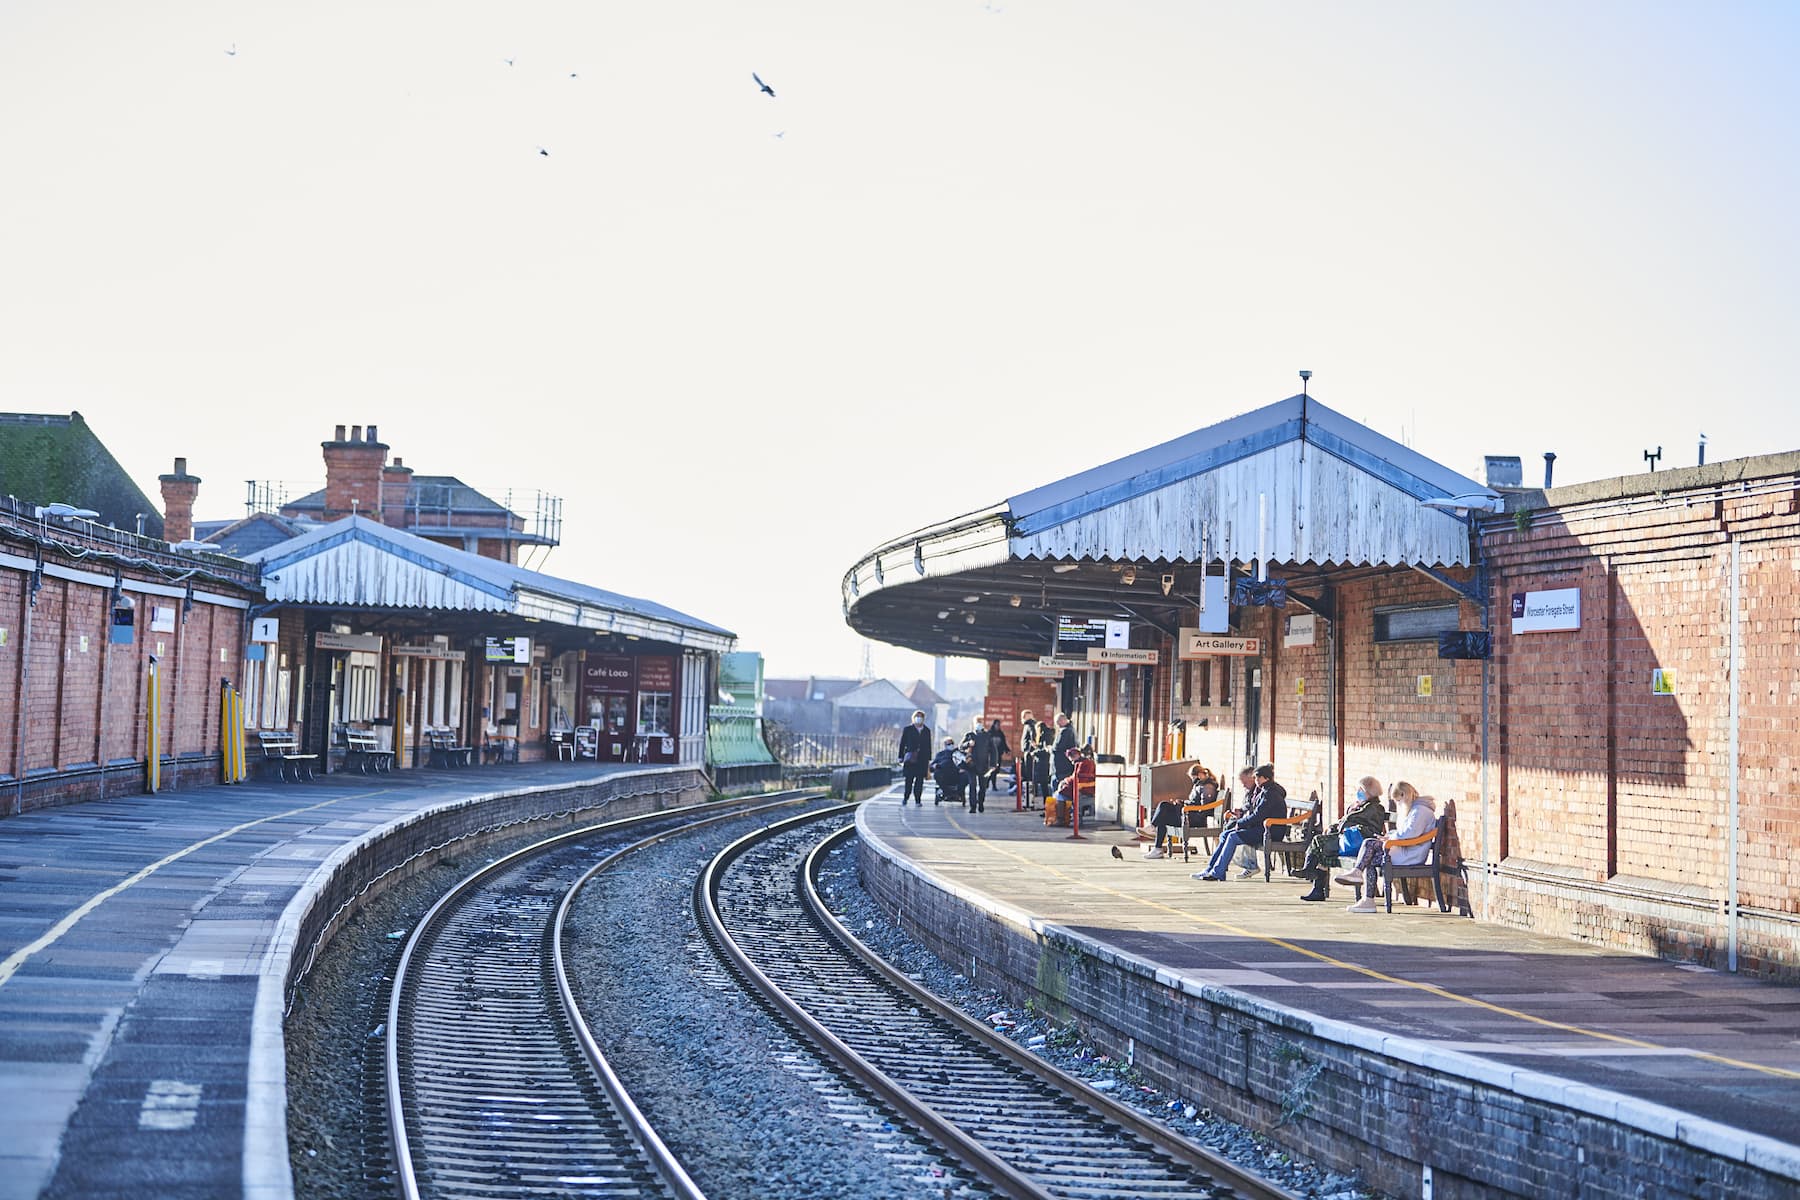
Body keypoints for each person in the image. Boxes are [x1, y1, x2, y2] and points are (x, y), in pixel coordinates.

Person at [1340, 783, 1436, 913]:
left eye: (1398, 800)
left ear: (1404, 795)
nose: (1398, 804)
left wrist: (1390, 839)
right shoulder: (1414, 809)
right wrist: (1388, 836)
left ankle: (1357, 873)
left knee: (1369, 843)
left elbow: (1410, 833)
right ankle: (1367, 900)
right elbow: (1403, 832)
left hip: (1411, 853)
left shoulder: (1420, 811)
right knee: (1370, 856)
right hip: (1403, 849)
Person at [1296, 776, 1388, 902]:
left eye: (1360, 789)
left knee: (1319, 841)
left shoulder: (1375, 807)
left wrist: (1350, 813)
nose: (1358, 792)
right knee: (1322, 849)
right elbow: (1348, 821)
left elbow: (1350, 819)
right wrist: (1335, 826)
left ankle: (1310, 873)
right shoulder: (1364, 805)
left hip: (1359, 842)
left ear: (1368, 791)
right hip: (1350, 839)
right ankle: (1315, 886)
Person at [1193, 763, 1287, 881]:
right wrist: (1241, 819)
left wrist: (1241, 823)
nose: (1256, 780)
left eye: (1258, 777)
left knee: (1233, 836)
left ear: (1266, 778)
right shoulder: (1265, 790)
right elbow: (1255, 813)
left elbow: (1258, 815)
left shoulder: (1270, 793)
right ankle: (1211, 869)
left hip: (1271, 831)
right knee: (1225, 834)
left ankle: (1218, 872)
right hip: (1261, 828)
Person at [897, 710, 932, 806]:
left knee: (919, 780)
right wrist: (900, 756)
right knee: (909, 779)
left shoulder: (926, 731)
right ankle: (906, 797)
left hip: (922, 759)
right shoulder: (908, 729)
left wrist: (929, 758)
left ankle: (918, 799)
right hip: (910, 758)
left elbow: (928, 745)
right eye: (917, 716)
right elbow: (902, 743)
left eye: (921, 717)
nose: (919, 719)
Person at [965, 719, 995, 812]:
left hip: (984, 765)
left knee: (983, 786)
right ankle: (973, 806)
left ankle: (981, 802)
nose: (979, 725)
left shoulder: (988, 736)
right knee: (972, 785)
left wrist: (993, 764)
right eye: (977, 723)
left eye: (980, 723)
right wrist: (968, 743)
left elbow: (994, 751)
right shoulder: (970, 735)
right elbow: (960, 746)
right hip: (971, 764)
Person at [930, 738, 964, 807]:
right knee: (937, 773)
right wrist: (935, 766)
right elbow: (932, 765)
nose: (950, 745)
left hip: (956, 774)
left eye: (951, 744)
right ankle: (948, 793)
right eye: (948, 744)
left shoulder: (958, 753)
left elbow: (964, 761)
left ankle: (958, 792)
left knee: (965, 775)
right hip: (944, 775)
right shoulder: (940, 754)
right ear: (945, 745)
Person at [1050, 713, 1078, 795]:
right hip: (1065, 766)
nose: (1057, 725)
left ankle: (1057, 806)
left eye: (1057, 722)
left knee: (1057, 789)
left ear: (1062, 721)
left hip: (1061, 766)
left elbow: (1057, 747)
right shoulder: (1071, 730)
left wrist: (1050, 748)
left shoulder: (1065, 731)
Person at [985, 717, 1010, 796]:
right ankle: (990, 784)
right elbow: (986, 744)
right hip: (990, 756)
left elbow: (1003, 743)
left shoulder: (1000, 733)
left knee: (996, 771)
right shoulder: (989, 733)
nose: (998, 726)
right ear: (994, 725)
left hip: (998, 755)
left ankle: (989, 783)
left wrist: (1007, 750)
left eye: (999, 725)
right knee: (991, 770)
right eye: (997, 725)